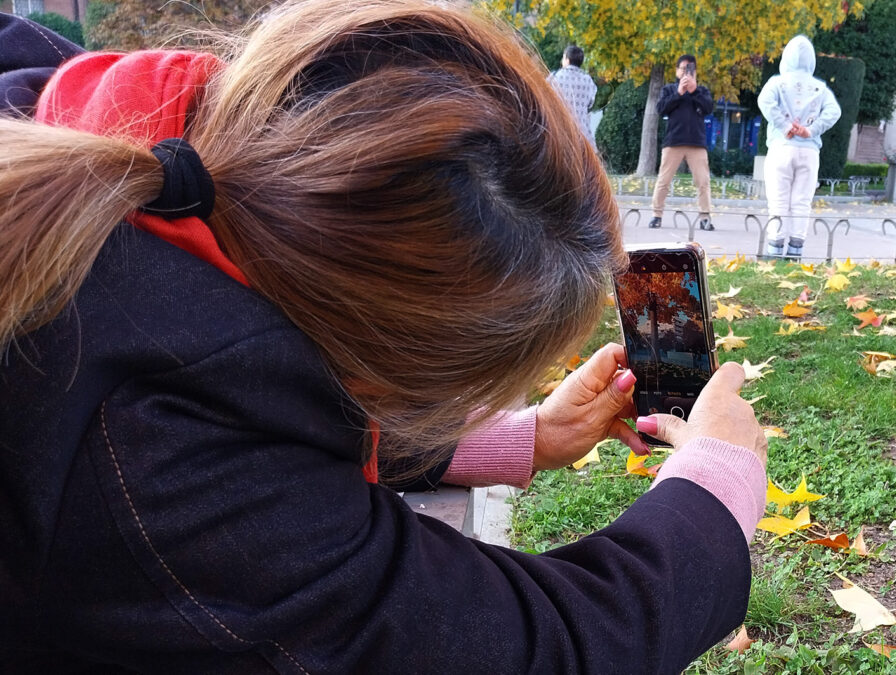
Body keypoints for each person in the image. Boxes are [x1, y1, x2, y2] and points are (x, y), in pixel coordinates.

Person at [0, 3, 767, 671]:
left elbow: (261, 376)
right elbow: (515, 649)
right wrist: (713, 492)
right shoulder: (158, 448)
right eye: (444, 392)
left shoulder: (111, 125)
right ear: (374, 370)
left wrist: (514, 438)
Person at [757, 35, 841, 261]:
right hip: (809, 151)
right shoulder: (820, 88)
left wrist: (785, 126)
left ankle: (775, 249)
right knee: (802, 201)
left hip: (781, 147)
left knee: (778, 200)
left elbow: (764, 101)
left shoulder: (777, 82)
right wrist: (811, 130)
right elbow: (834, 112)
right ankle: (796, 250)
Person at [649, 54, 714, 231]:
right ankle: (656, 215)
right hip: (673, 141)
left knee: (703, 181)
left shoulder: (702, 91)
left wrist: (693, 91)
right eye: (684, 69)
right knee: (663, 180)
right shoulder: (669, 89)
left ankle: (705, 217)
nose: (687, 72)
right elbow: (661, 109)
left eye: (690, 69)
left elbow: (708, 108)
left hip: (697, 143)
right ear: (677, 71)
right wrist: (679, 93)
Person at [547, 44, 597, 147]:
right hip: (583, 136)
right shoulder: (588, 80)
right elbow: (590, 104)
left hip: (559, 132)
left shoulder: (554, 77)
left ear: (567, 59)